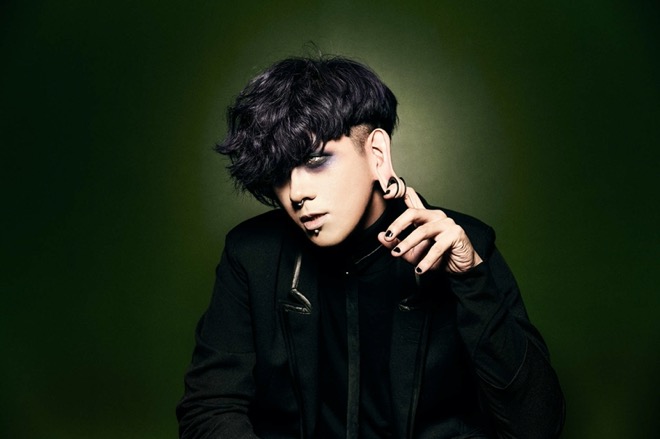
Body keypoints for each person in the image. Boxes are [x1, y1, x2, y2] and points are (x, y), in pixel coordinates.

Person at [177, 55, 565, 439]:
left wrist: (472, 282)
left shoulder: (468, 244)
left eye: (316, 160)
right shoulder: (252, 255)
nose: (296, 193)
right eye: (280, 172)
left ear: (377, 154)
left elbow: (537, 427)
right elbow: (209, 410)